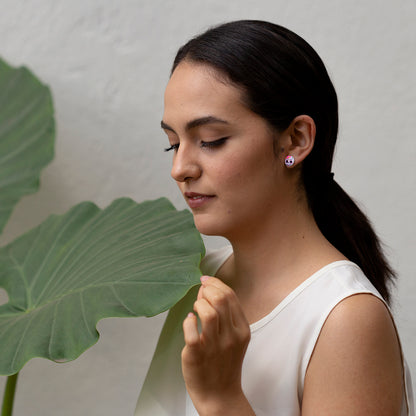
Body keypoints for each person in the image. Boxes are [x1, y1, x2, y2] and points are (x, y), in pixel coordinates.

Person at [135, 20, 414, 415]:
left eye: (211, 140)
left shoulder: (346, 319)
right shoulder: (199, 282)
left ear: (295, 140)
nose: (180, 168)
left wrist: (222, 398)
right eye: (173, 144)